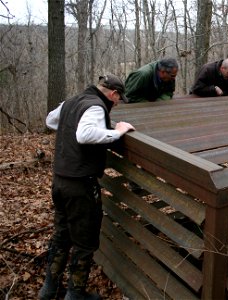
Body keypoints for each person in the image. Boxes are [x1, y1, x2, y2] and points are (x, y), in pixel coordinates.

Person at [40, 75, 135, 300]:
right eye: (119, 99)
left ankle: (49, 288)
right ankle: (75, 294)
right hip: (80, 185)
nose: (117, 103)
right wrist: (118, 131)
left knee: (62, 234)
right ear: (113, 94)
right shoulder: (95, 107)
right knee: (85, 240)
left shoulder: (73, 101)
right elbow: (85, 134)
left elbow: (51, 121)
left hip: (60, 181)